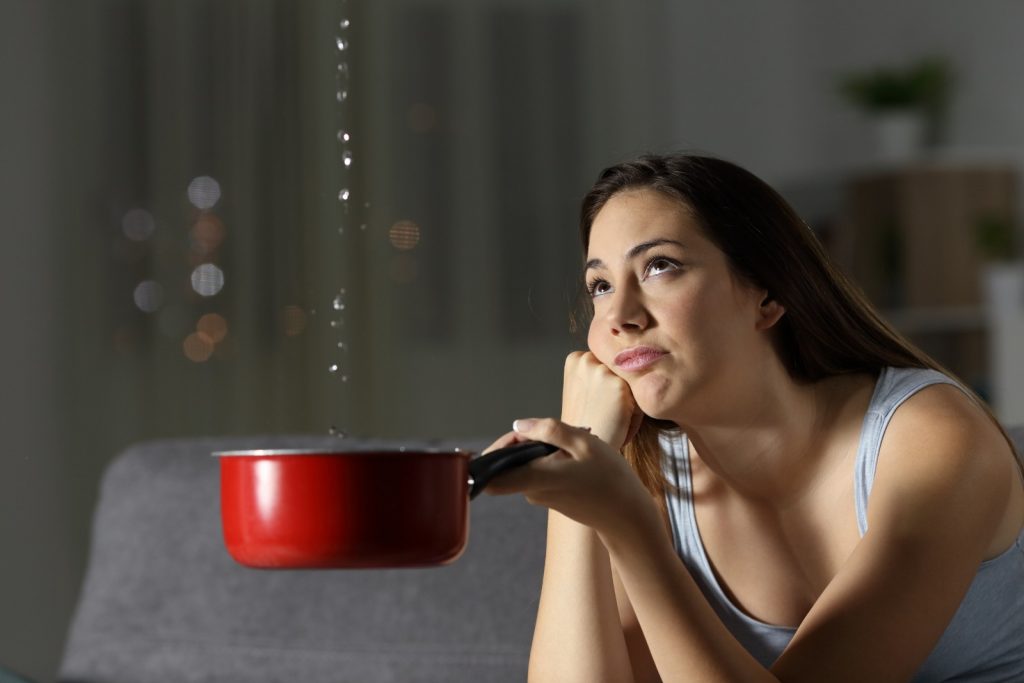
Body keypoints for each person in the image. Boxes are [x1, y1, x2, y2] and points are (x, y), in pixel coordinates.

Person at [483, 153, 1024, 682]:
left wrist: (628, 527)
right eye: (599, 286)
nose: (620, 316)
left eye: (659, 266)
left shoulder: (933, 440)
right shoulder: (646, 470)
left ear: (767, 296)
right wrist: (577, 479)